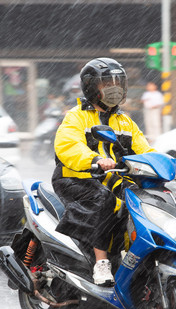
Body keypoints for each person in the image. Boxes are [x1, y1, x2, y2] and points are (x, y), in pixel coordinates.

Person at [52, 57, 155, 286]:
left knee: (144, 201)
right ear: (91, 86)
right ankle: (101, 262)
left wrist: (168, 163)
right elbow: (69, 146)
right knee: (104, 199)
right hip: (76, 178)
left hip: (113, 179)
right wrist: (96, 159)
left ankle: (133, 258)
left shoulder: (125, 122)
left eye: (118, 83)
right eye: (107, 83)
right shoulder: (76, 116)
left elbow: (144, 149)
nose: (114, 89)